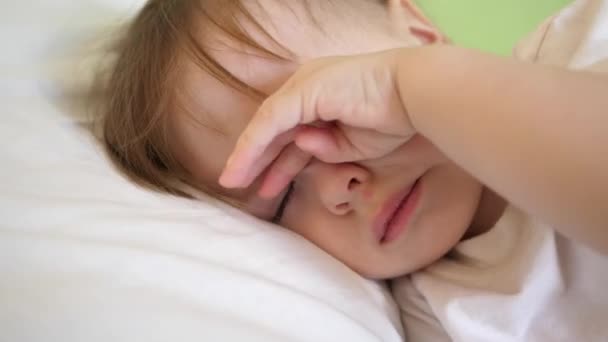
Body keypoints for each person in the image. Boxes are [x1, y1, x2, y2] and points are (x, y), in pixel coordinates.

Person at [99, 0, 608, 339]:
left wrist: (415, 90)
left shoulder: (577, 51)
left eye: (330, 115)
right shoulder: (434, 315)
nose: (339, 187)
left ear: (421, 36)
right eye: (281, 197)